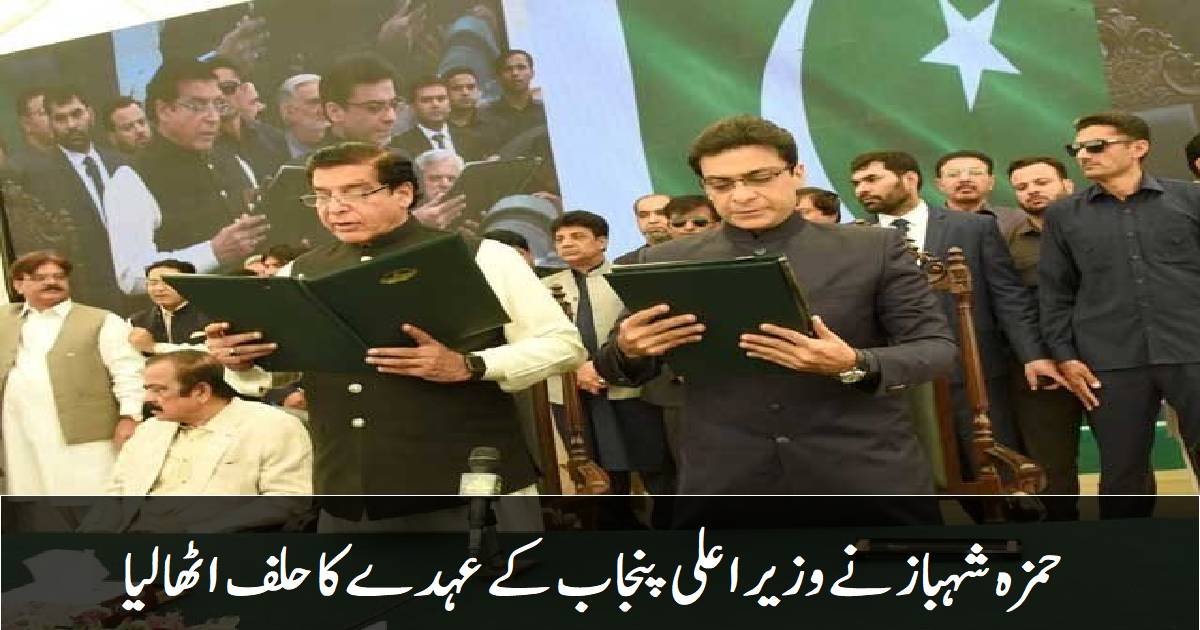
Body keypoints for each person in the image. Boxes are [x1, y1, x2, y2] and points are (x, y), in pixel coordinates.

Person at [595, 116, 957, 522]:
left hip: (861, 468)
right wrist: (629, 348)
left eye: (760, 178)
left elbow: (936, 349)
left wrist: (855, 363)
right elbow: (612, 366)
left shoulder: (872, 248)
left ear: (796, 173)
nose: (742, 195)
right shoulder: (664, 260)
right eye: (721, 185)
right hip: (727, 477)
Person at [207, 142, 585, 530]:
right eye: (322, 196)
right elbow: (283, 370)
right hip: (348, 487)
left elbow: (563, 345)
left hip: (464, 480)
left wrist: (471, 365)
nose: (335, 208)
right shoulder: (299, 271)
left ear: (403, 193)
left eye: (355, 193)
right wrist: (243, 360)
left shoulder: (482, 256)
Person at [850, 150, 1065, 455]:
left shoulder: (973, 227)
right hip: (900, 376)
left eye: (872, 179)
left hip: (976, 369)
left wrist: (1033, 356)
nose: (862, 189)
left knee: (995, 465)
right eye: (857, 183)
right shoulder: (853, 236)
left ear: (909, 179)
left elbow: (1008, 296)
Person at [1040, 111, 1200, 518]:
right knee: (1122, 472)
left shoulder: (1190, 200)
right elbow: (1056, 292)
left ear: (1138, 148)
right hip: (1109, 360)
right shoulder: (1063, 215)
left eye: (1096, 146)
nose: (1084, 156)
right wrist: (1065, 355)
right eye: (1077, 149)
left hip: (1192, 348)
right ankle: (1127, 550)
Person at [80, 350, 311, 533]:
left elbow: (288, 500)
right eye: (147, 390)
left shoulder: (271, 425)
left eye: (159, 390)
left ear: (201, 392)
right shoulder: (150, 429)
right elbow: (117, 493)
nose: (148, 399)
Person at [543, 211, 675, 524]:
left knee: (654, 466)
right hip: (572, 394)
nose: (567, 244)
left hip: (630, 389)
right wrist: (575, 371)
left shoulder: (627, 277)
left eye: (577, 236)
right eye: (560, 239)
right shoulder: (544, 287)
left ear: (601, 242)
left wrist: (603, 367)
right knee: (594, 473)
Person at [102, 58, 270, 295]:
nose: (213, 117)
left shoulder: (232, 159)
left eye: (217, 104)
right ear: (164, 110)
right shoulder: (131, 179)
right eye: (197, 106)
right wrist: (213, 252)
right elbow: (131, 276)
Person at [1, 253, 145, 503]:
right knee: (30, 497)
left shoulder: (102, 320)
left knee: (91, 497)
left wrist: (130, 417)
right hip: (17, 429)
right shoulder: (5, 318)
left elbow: (129, 372)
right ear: (19, 285)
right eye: (40, 278)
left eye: (58, 277)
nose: (52, 282)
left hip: (83, 432)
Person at [1003, 156, 1084, 520]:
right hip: (1042, 368)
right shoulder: (1005, 242)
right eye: (1021, 187)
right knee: (1051, 467)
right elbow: (1010, 308)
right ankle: (1063, 539)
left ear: (1067, 184)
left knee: (1125, 460)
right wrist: (1035, 356)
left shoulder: (1097, 230)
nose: (1032, 191)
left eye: (1041, 182)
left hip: (1105, 361)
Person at [19, 86, 132, 314]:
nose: (71, 125)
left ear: (90, 114)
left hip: (138, 285)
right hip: (88, 294)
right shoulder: (39, 178)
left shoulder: (122, 163)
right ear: (50, 122)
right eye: (60, 118)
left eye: (76, 114)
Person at [208, 56, 288, 182]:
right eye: (213, 90)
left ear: (243, 90)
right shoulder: (202, 145)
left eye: (228, 88)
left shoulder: (272, 136)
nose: (221, 96)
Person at [934, 150, 1026, 239]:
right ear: (940, 185)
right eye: (953, 174)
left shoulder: (1019, 220)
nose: (965, 179)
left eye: (975, 173)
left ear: (991, 182)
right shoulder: (927, 221)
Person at [391, 76, 485, 162]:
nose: (435, 105)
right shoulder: (400, 145)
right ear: (413, 107)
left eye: (441, 99)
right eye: (426, 100)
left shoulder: (472, 139)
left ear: (449, 104)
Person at [128, 260, 212, 354]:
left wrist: (154, 347)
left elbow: (214, 351)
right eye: (153, 283)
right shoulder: (136, 321)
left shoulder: (212, 314)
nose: (159, 289)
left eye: (168, 282)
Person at [320, 53, 401, 147]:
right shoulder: (318, 157)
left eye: (393, 104)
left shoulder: (399, 155)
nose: (391, 117)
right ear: (335, 111)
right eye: (374, 107)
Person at [408, 148, 467, 230]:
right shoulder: (399, 210)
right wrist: (414, 223)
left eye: (451, 179)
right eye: (435, 178)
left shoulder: (468, 213)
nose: (445, 184)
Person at [277, 73, 327, 160]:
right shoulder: (268, 154)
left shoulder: (345, 148)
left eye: (326, 101)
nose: (324, 109)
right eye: (314, 102)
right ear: (289, 111)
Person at [613, 193, 671, 264]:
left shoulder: (685, 255)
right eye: (643, 215)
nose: (652, 220)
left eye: (661, 213)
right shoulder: (625, 264)